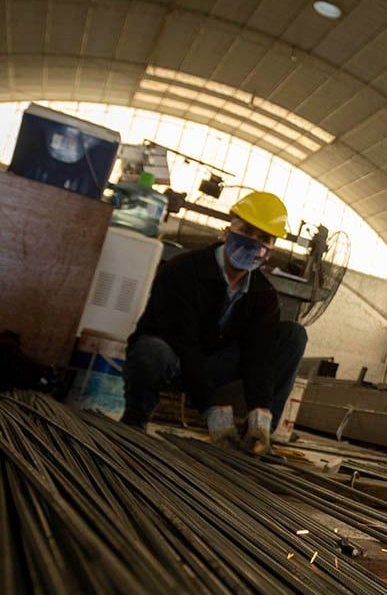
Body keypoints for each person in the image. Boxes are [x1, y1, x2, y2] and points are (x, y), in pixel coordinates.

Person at [121, 192, 307, 455]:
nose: (253, 242)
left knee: (293, 335)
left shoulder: (263, 295)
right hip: (173, 362)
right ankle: (134, 421)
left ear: (270, 250)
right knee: (152, 350)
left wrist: (259, 411)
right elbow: (182, 341)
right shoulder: (183, 270)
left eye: (263, 238)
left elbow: (259, 357)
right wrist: (210, 409)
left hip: (213, 368)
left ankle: (259, 438)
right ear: (227, 231)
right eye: (247, 231)